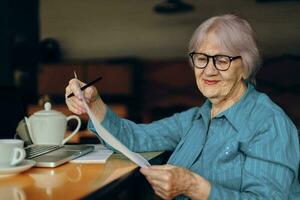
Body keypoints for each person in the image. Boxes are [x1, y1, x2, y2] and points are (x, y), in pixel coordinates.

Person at [65, 14, 300, 199]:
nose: (209, 70)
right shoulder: (196, 118)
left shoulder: (269, 123)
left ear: (245, 67)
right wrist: (93, 103)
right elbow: (135, 139)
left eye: (222, 60)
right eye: (201, 58)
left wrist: (193, 186)